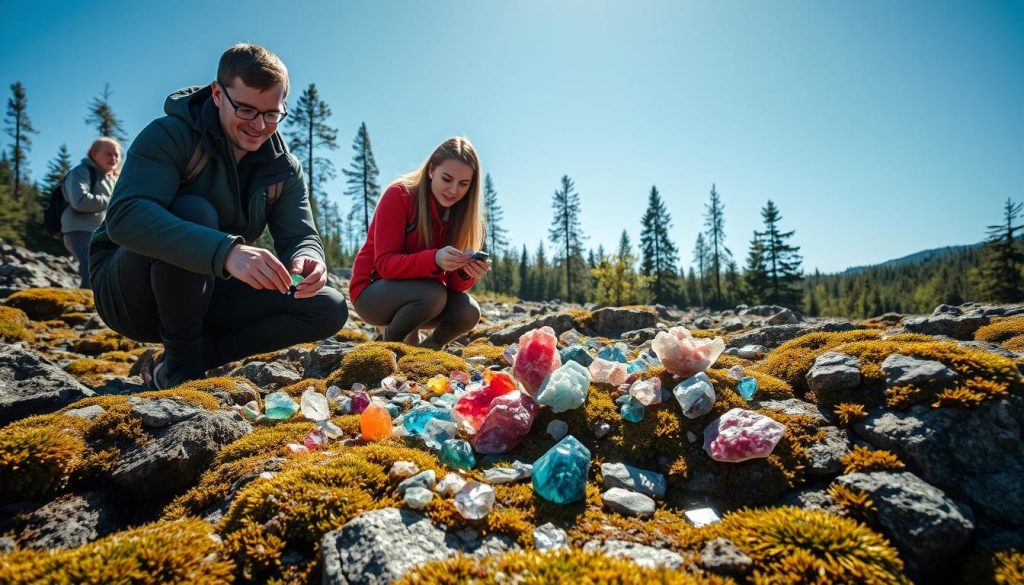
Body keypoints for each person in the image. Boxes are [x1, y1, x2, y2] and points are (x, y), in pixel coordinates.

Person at [89, 43, 347, 389]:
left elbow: (300, 235)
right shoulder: (170, 135)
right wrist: (226, 252)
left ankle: (185, 359)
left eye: (272, 114)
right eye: (246, 110)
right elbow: (126, 216)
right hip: (130, 295)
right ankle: (180, 370)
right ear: (217, 93)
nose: (259, 126)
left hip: (208, 295)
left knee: (326, 306)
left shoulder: (282, 168)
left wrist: (308, 258)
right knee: (193, 210)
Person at [349, 136, 490, 348]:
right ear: (432, 170)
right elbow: (385, 264)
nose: (453, 190)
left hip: (424, 298)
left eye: (463, 184)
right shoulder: (399, 195)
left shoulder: (462, 216)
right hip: (371, 294)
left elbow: (453, 286)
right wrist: (435, 260)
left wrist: (465, 271)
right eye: (447, 179)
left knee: (468, 312)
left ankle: (428, 352)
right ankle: (387, 346)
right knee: (433, 294)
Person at [62, 137, 120, 288]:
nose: (114, 158)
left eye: (117, 155)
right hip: (79, 229)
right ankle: (89, 305)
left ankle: (94, 304)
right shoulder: (81, 172)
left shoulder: (112, 179)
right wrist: (113, 200)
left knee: (100, 267)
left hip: (100, 232)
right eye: (108, 153)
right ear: (93, 154)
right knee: (92, 266)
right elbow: (79, 201)